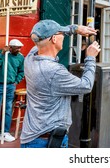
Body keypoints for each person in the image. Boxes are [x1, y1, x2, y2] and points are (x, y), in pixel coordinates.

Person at [20, 20, 100, 148]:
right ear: (54, 39)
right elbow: (86, 85)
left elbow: (41, 40)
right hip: (48, 142)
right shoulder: (54, 71)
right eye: (61, 33)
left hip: (32, 137)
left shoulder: (30, 57)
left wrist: (75, 29)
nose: (63, 36)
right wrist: (90, 58)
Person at [0, 39, 25, 145]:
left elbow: (21, 71)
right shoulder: (1, 53)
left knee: (7, 109)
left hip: (10, 86)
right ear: (10, 47)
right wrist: (2, 53)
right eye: (17, 48)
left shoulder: (20, 57)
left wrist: (16, 81)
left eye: (20, 48)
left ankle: (5, 133)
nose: (19, 50)